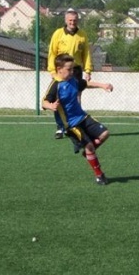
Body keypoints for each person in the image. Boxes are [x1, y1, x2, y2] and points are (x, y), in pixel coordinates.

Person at [42, 53, 113, 186]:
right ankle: (99, 175)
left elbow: (86, 83)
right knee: (90, 146)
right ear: (59, 69)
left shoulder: (73, 80)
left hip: (83, 117)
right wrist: (50, 106)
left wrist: (103, 85)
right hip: (70, 125)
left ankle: (88, 153)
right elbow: (44, 101)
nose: (72, 72)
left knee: (105, 134)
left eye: (73, 69)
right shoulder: (56, 85)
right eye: (69, 69)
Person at [48, 9, 93, 139]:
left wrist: (88, 70)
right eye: (70, 20)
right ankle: (60, 127)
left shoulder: (82, 35)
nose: (72, 23)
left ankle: (75, 126)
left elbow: (86, 54)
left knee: (76, 99)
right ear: (66, 21)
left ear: (77, 20)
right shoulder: (58, 34)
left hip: (76, 70)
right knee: (59, 100)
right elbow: (52, 52)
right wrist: (52, 70)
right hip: (61, 71)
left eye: (75, 20)